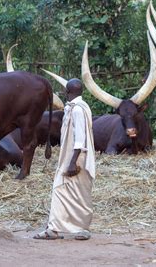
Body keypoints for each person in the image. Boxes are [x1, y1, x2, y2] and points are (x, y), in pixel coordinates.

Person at [34, 78, 95, 240]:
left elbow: (80, 138)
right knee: (70, 192)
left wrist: (73, 162)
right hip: (73, 156)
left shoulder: (77, 110)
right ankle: (55, 229)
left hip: (76, 157)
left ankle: (79, 229)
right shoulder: (79, 107)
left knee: (68, 191)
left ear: (68, 92)